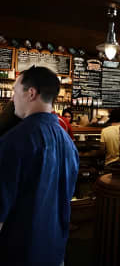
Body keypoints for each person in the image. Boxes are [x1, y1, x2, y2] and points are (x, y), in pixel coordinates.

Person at [0, 66, 79, 266]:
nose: (12, 98)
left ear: (31, 93)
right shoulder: (68, 143)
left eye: (15, 91)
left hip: (19, 254)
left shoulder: (15, 140)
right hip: (55, 252)